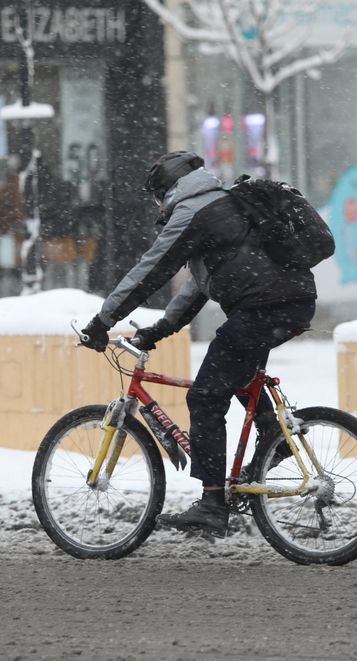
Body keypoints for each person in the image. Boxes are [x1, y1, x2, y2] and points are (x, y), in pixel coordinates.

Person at [81, 152, 317, 538]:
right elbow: (199, 286)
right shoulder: (222, 203)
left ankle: (211, 504)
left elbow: (151, 270)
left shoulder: (194, 212)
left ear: (166, 190)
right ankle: (275, 438)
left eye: (156, 197)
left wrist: (102, 321)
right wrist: (158, 330)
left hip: (262, 309)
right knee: (237, 374)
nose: (157, 206)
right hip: (291, 302)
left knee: (205, 397)